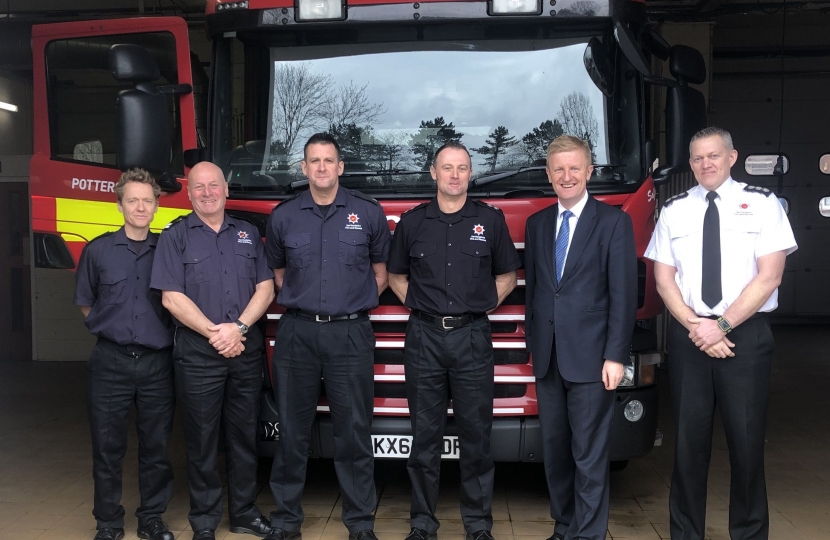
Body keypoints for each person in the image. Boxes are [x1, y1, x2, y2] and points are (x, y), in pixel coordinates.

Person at [645, 127, 797, 540]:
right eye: (697, 158)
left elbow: (770, 277)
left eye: (713, 156)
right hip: (691, 333)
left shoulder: (763, 204)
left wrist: (722, 326)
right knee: (687, 448)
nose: (705, 164)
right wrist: (697, 326)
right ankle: (685, 534)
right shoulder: (675, 209)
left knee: (747, 446)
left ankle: (748, 534)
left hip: (744, 337)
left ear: (732, 157)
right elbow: (663, 278)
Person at [387, 141, 520, 540]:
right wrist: (420, 305)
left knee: (475, 437)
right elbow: (395, 275)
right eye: (447, 168)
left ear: (470, 173)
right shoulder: (412, 223)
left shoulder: (490, 221)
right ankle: (422, 525)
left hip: (472, 337)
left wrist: (479, 305)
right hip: (424, 337)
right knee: (424, 437)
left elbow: (507, 276)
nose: (455, 175)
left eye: (462, 168)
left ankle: (478, 527)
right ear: (433, 173)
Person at [264, 133, 391, 540]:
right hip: (297, 332)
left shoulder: (368, 213)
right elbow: (279, 274)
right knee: (292, 432)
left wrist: (346, 301)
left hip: (351, 333)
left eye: (328, 160)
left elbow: (380, 273)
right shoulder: (284, 216)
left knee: (353, 433)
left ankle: (360, 524)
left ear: (340, 167)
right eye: (313, 161)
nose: (321, 167)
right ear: (303, 168)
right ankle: (286, 522)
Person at [150, 162, 275, 540]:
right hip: (198, 354)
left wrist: (237, 329)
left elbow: (266, 288)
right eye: (199, 187)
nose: (207, 193)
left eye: (214, 185)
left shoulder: (249, 234)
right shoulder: (174, 236)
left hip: (244, 350)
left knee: (243, 436)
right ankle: (203, 521)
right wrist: (215, 333)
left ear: (226, 188)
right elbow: (171, 299)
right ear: (189, 194)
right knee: (201, 440)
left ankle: (244, 513)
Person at [524, 135, 637, 540]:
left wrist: (616, 355)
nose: (567, 176)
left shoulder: (613, 222)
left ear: (590, 171)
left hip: (593, 360)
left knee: (589, 455)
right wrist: (532, 347)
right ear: (549, 174)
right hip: (550, 358)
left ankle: (588, 534)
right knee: (556, 453)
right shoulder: (537, 225)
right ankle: (565, 526)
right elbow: (537, 290)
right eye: (559, 169)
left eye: (575, 168)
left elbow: (624, 295)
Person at [74, 168, 176, 540]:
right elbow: (86, 304)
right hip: (110, 362)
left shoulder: (168, 250)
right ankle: (108, 523)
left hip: (156, 363)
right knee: (107, 447)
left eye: (147, 200)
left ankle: (151, 518)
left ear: (156, 206)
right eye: (132, 200)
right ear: (119, 205)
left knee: (156, 447)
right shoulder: (97, 250)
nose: (140, 206)